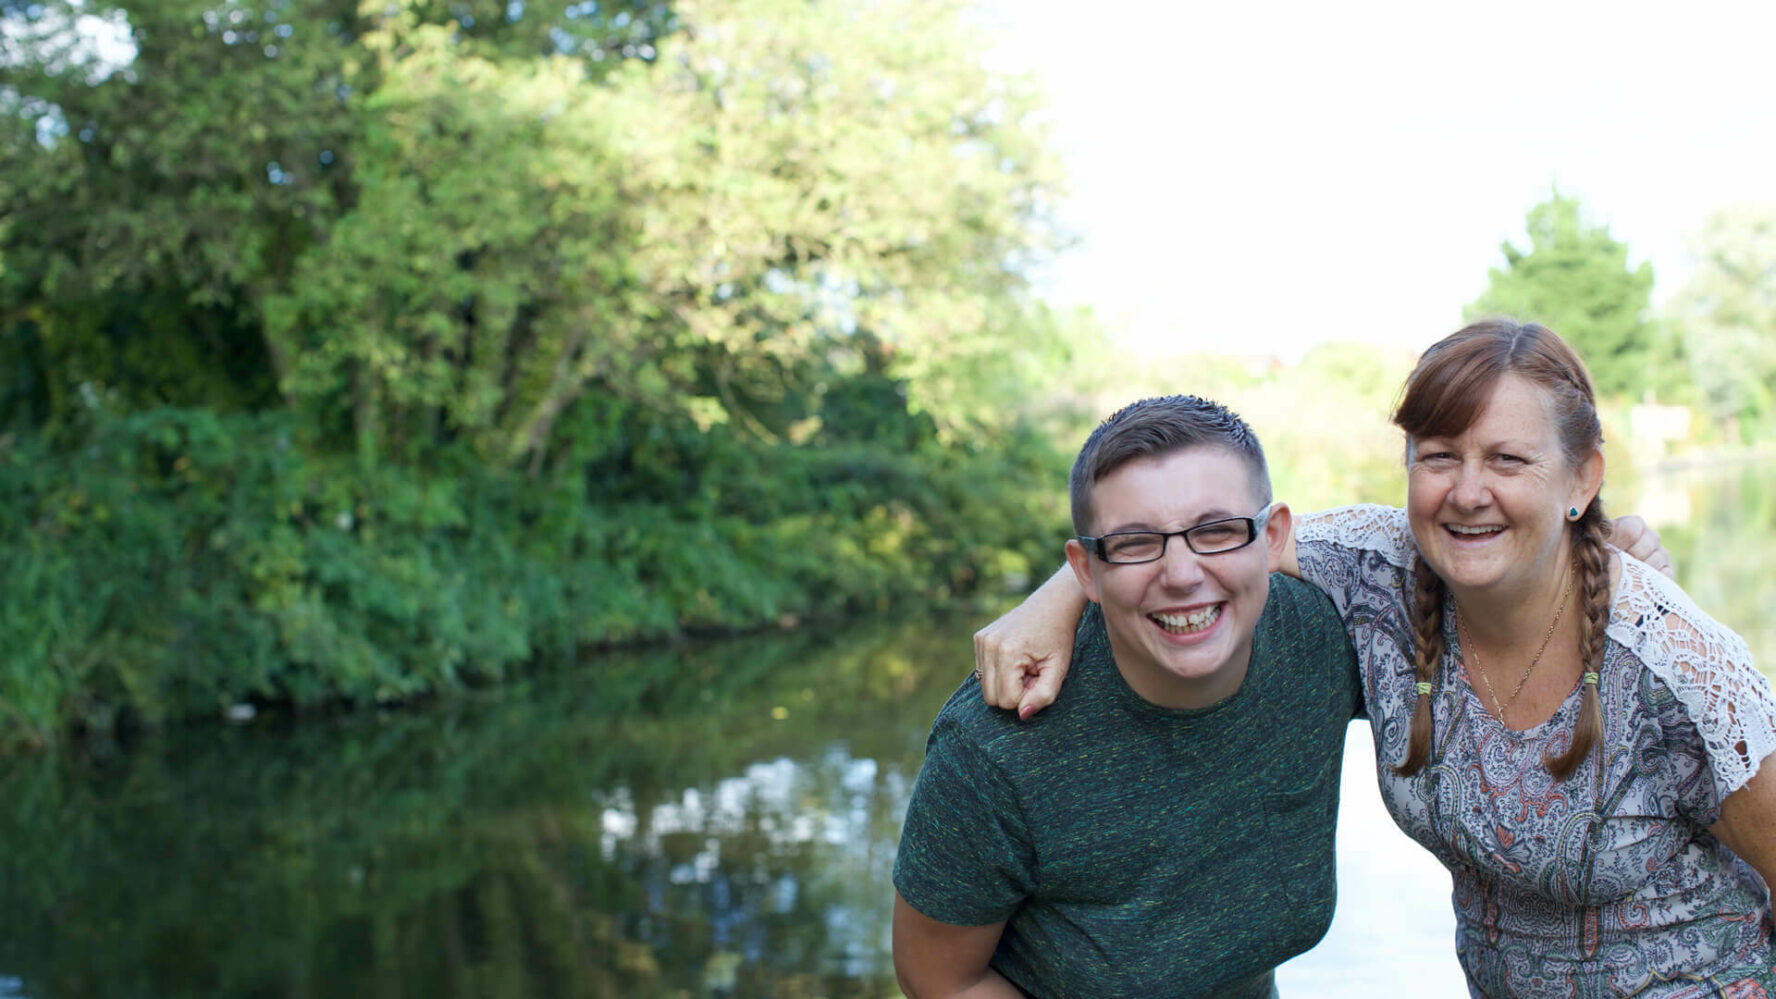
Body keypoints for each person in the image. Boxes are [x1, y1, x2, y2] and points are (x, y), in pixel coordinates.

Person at [975, 319, 1776, 995]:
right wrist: (1057, 594)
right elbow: (1203, 544)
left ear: (1583, 477)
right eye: (1438, 455)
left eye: (1507, 459)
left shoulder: (1679, 667)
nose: (1467, 490)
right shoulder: (1375, 569)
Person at [892, 395, 1364, 998]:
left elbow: (1441, 608)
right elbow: (938, 979)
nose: (1182, 573)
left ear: (1272, 537)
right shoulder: (995, 752)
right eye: (1136, 542)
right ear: (1086, 569)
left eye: (1215, 530)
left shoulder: (1322, 640)